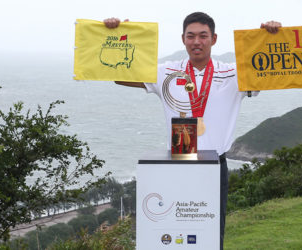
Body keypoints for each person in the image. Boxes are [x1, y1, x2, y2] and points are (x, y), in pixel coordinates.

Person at [104, 12, 281, 250]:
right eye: (191, 36)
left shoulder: (233, 73)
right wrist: (118, 36)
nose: (196, 41)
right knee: (175, 233)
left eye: (203, 36)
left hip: (215, 164)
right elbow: (118, 75)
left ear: (214, 39)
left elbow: (273, 71)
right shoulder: (166, 71)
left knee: (211, 233)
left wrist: (269, 37)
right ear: (183, 39)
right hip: (179, 161)